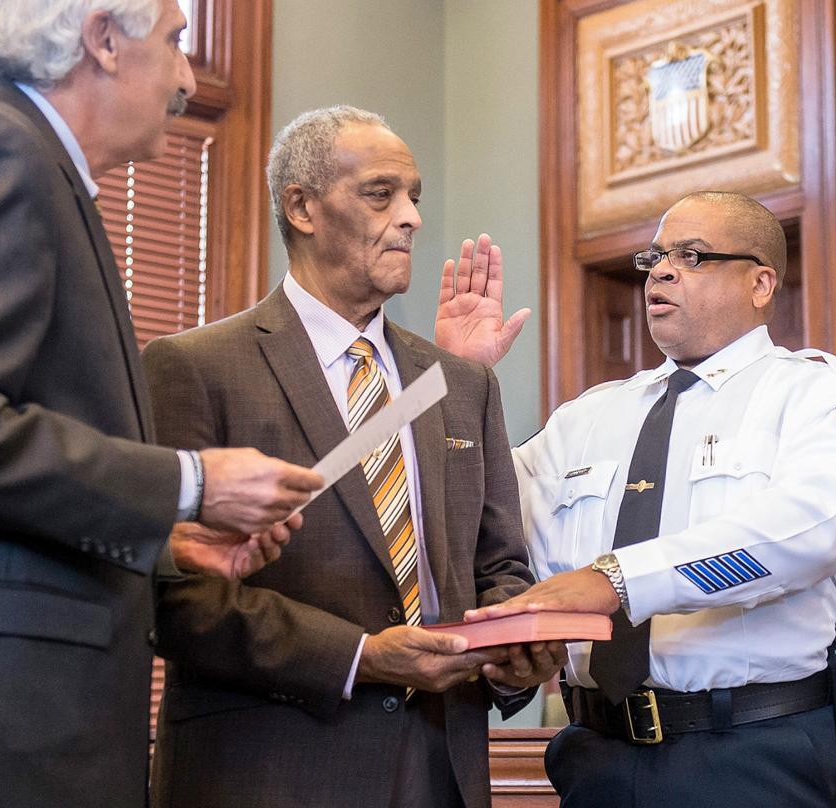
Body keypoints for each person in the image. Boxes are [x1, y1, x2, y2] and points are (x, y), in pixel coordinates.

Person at [0, 1, 323, 806]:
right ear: (103, 41)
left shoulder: (18, 163)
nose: (186, 77)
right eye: (176, 42)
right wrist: (192, 481)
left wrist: (169, 542)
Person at [141, 105, 565, 808]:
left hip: (442, 770)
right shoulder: (194, 367)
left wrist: (513, 658)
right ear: (302, 207)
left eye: (414, 197)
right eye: (381, 194)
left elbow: (499, 568)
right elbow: (178, 598)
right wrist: (361, 658)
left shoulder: (459, 382)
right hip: (270, 772)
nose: (411, 218)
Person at [443, 191, 836, 807]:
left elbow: (819, 524)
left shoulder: (816, 394)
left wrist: (616, 581)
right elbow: (468, 522)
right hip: (595, 756)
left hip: (755, 753)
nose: (660, 270)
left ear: (761, 283)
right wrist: (457, 385)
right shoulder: (587, 417)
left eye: (692, 256)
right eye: (655, 257)